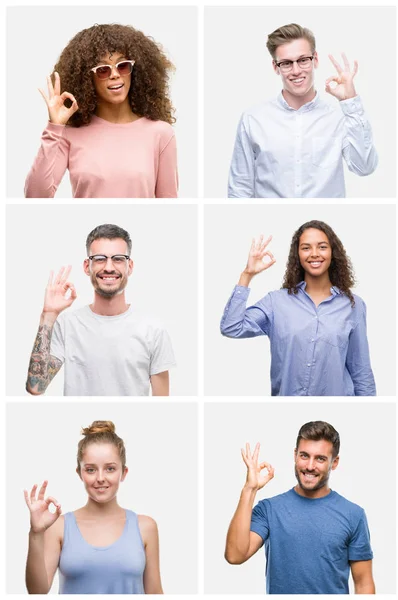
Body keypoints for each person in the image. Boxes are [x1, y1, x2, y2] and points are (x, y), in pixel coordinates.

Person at [220, 220, 375, 396]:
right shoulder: (276, 302)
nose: (314, 254)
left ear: (333, 253)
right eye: (306, 248)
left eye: (322, 247)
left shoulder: (353, 305)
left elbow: (360, 369)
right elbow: (231, 327)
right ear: (298, 255)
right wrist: (247, 275)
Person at [25, 23, 178, 198]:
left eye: (122, 66)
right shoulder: (70, 135)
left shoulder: (161, 134)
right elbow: (35, 197)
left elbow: (168, 203)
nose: (115, 74)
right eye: (103, 70)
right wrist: (54, 128)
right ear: (86, 77)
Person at [227, 23, 378, 198]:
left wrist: (350, 102)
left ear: (315, 60)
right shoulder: (253, 119)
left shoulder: (338, 118)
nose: (296, 70)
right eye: (286, 63)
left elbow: (365, 167)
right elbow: (239, 189)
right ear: (276, 67)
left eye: (303, 60)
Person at [225, 421, 375, 594]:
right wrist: (249, 489)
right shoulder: (269, 510)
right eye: (304, 456)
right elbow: (235, 555)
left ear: (334, 462)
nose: (310, 466)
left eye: (320, 458)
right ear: (295, 455)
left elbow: (364, 583)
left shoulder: (353, 515)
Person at [25, 224, 176, 396]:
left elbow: (162, 403)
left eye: (118, 258)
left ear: (130, 266)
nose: (109, 267)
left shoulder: (153, 330)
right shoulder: (67, 325)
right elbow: (35, 387)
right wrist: (49, 315)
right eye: (100, 259)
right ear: (86, 266)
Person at [24, 421, 163, 594]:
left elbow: (155, 592)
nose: (100, 478)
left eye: (110, 468)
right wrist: (36, 532)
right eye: (90, 470)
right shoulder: (59, 526)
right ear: (79, 473)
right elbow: (37, 592)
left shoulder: (145, 527)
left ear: (123, 473)